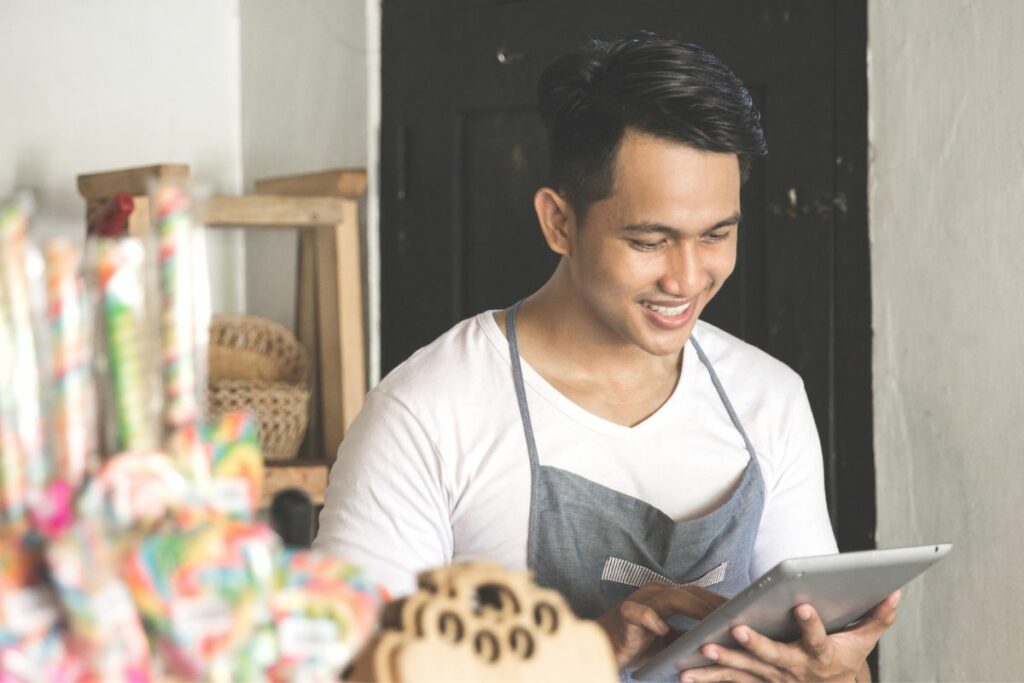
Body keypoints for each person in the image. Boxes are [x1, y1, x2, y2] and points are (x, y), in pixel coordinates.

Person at [314, 33, 898, 681]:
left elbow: (830, 657)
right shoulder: (429, 410)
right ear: (559, 222)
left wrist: (836, 672)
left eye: (717, 235)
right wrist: (583, 653)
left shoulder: (768, 397)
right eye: (650, 240)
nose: (686, 278)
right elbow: (348, 669)